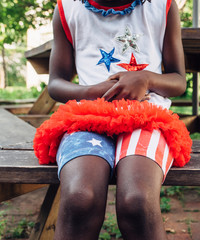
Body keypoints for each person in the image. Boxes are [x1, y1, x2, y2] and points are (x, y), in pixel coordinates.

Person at [33, 0, 191, 239]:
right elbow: (55, 83)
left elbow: (179, 80)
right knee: (80, 198)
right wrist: (90, 92)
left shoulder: (163, 6)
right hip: (87, 117)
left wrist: (146, 79)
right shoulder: (67, 8)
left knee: (137, 201)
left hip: (147, 118)